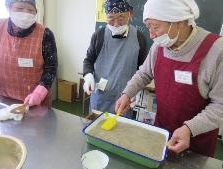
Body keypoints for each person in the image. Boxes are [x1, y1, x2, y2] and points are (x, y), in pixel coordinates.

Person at [115, 0, 223, 157]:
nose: (151, 35)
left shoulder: (216, 50)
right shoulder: (159, 45)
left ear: (179, 22)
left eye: (156, 27)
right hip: (162, 131)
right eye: (148, 27)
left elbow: (220, 105)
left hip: (197, 141)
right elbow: (144, 73)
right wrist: (127, 93)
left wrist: (190, 128)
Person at [83, 0, 147, 114]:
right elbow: (88, 60)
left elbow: (143, 68)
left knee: (121, 129)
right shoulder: (99, 36)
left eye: (121, 18)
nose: (116, 24)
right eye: (111, 19)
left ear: (130, 14)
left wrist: (138, 91)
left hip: (125, 97)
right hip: (101, 97)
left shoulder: (139, 38)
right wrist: (88, 76)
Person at [0, 0, 57, 107]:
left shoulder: (45, 34)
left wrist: (39, 94)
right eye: (20, 9)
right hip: (3, 98)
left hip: (34, 101)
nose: (25, 14)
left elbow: (51, 68)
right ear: (8, 8)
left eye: (31, 10)